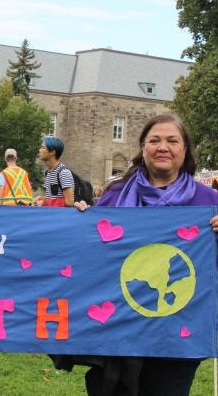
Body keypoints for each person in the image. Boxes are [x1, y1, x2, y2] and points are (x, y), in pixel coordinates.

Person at [64, 113, 218, 395]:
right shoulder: (115, 194)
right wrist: (80, 221)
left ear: (185, 149)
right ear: (142, 147)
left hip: (176, 331)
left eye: (172, 141)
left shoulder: (208, 201)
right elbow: (92, 255)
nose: (163, 147)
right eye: (154, 140)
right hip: (119, 327)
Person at [35, 136, 74, 207]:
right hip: (51, 215)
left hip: (61, 216)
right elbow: (54, 197)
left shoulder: (63, 172)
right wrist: (42, 198)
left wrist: (44, 203)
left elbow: (69, 202)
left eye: (43, 148)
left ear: (52, 152)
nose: (39, 150)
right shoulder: (47, 172)